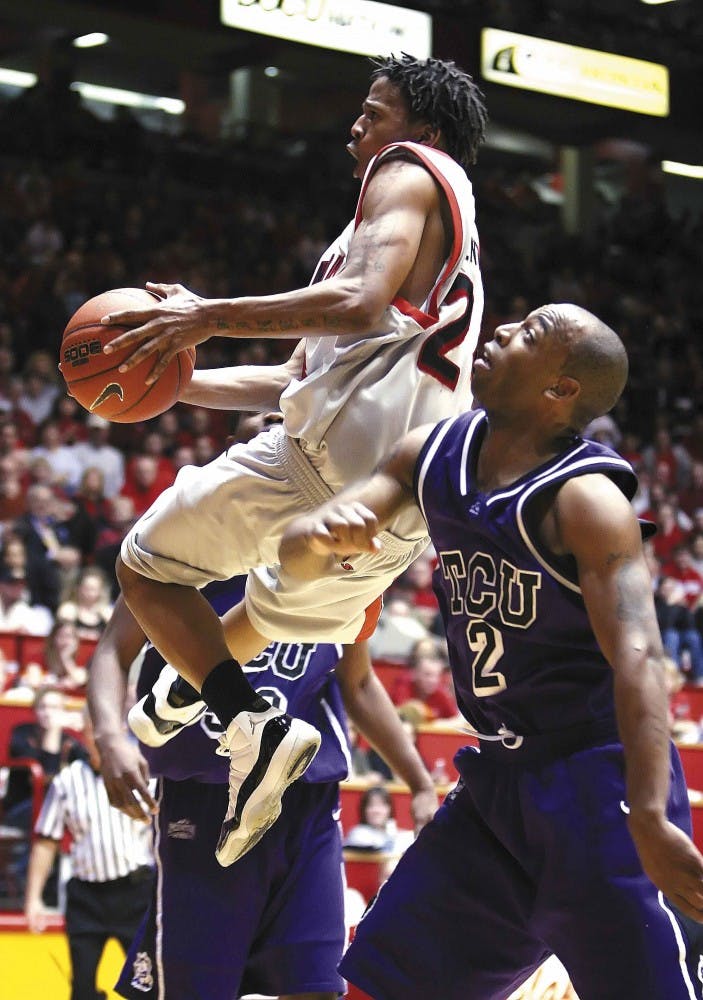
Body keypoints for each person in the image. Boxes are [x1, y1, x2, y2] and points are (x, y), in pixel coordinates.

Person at [100, 54, 488, 866]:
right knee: (266, 617)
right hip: (396, 504)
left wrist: (204, 314)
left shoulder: (409, 169)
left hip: (324, 461)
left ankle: (245, 722)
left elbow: (357, 300)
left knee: (146, 569)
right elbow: (289, 378)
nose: (358, 126)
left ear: (422, 129)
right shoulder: (426, 227)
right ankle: (201, 699)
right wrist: (165, 381)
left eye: (373, 112)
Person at [279, 303, 703, 998]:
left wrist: (650, 815)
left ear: (559, 391)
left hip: (596, 784)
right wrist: (321, 533)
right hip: (499, 783)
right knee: (383, 983)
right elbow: (301, 551)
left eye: (529, 334)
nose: (502, 331)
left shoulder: (588, 500)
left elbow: (639, 659)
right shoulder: (432, 451)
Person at [86, 577, 437, 1000]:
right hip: (205, 803)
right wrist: (108, 736)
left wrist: (419, 783)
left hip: (308, 804)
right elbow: (111, 648)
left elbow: (359, 683)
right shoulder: (184, 539)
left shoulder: (338, 564)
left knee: (315, 986)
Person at [24, 708, 154, 1000]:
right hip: (86, 898)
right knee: (81, 991)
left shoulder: (143, 771)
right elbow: (46, 841)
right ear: (83, 734)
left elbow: (162, 834)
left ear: (120, 729)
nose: (99, 738)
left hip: (135, 894)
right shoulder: (66, 781)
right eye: (92, 730)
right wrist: (33, 898)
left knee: (145, 988)